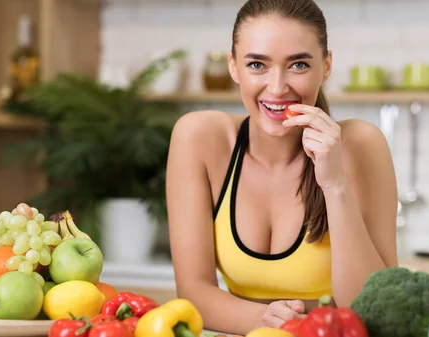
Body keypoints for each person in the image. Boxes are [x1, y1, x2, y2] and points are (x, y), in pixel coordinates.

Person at [165, 0, 398, 334]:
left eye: (299, 65)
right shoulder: (199, 138)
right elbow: (193, 293)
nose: (277, 87)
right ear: (233, 67)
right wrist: (276, 323)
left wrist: (335, 186)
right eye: (257, 64)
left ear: (326, 66)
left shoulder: (361, 145)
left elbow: (380, 310)